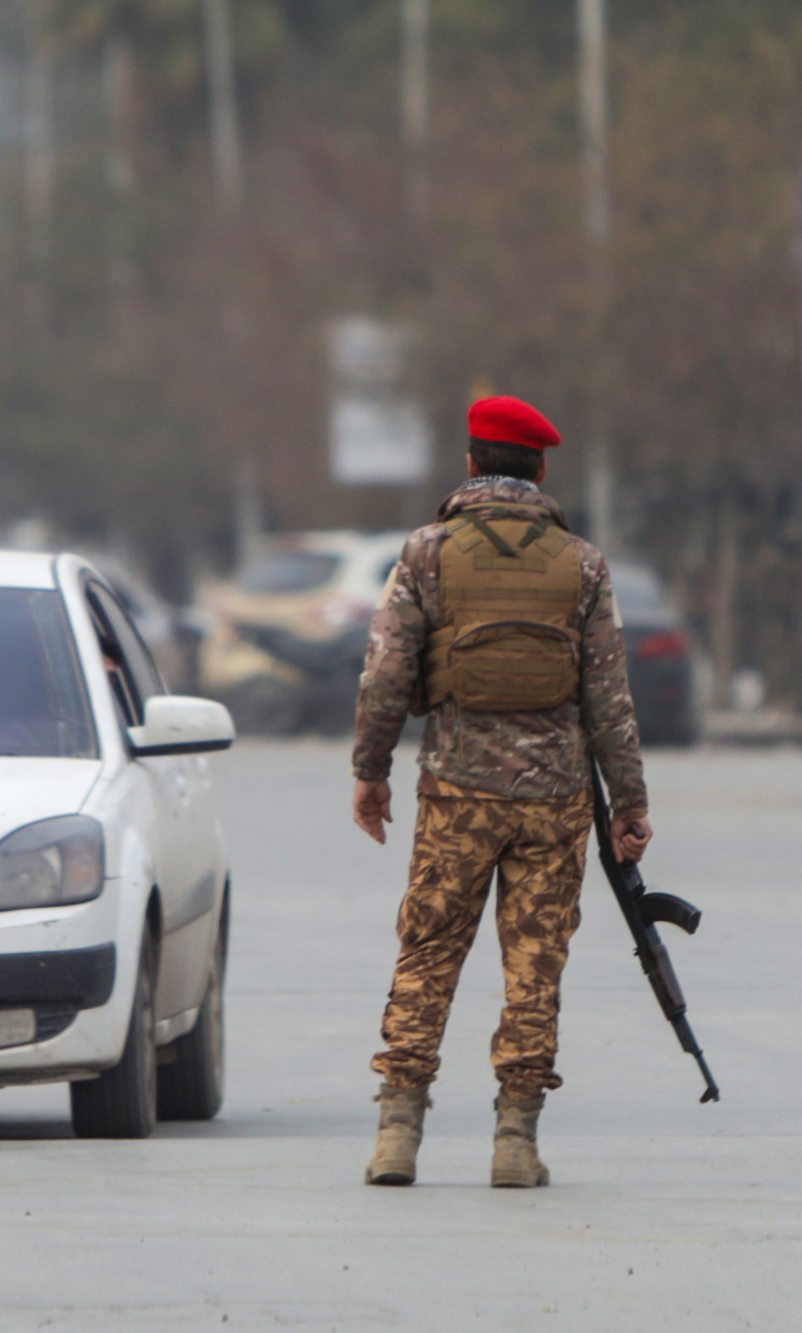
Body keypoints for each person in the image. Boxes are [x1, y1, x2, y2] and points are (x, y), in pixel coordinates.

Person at [349, 395, 651, 1189]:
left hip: (455, 789)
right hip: (555, 801)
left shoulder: (426, 553)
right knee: (535, 963)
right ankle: (515, 1142)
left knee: (427, 952)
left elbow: (385, 672)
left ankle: (397, 1136)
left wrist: (370, 770)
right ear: (541, 469)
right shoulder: (582, 563)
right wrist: (631, 807)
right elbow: (610, 699)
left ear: (472, 463)